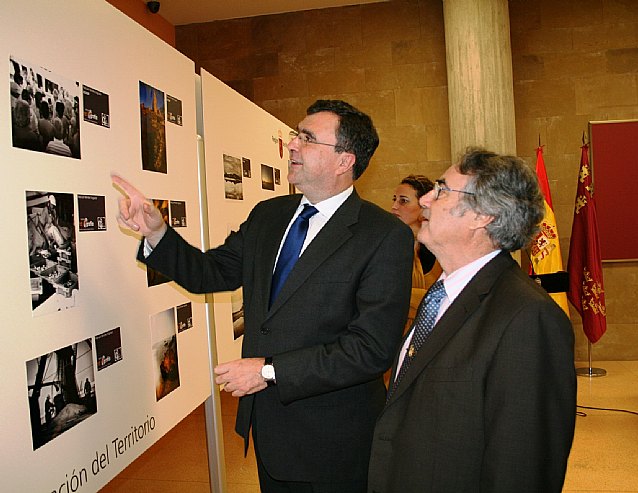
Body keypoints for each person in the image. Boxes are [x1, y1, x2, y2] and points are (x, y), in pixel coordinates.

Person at [113, 99, 414, 492]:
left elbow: (371, 349)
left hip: (334, 442)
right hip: (271, 432)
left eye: (307, 139)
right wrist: (157, 232)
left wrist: (267, 371)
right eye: (295, 134)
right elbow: (210, 272)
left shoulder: (383, 236)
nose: (292, 144)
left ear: (344, 161)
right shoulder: (268, 215)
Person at [369, 147, 577, 493]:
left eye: (443, 190)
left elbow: (522, 467)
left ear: (483, 216)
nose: (426, 200)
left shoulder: (529, 317)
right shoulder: (440, 295)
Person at [391, 175, 442, 331]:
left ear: (424, 206)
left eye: (403, 201)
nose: (394, 206)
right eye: (394, 199)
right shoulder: (387, 246)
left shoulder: (442, 248)